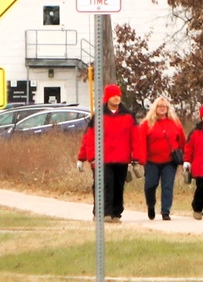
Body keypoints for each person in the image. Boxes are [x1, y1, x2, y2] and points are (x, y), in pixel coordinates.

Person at [77, 84, 142, 223]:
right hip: (102, 159)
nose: (117, 98)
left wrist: (136, 158)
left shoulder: (128, 115)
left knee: (118, 187)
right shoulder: (98, 116)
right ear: (107, 98)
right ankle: (103, 213)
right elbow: (89, 137)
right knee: (104, 186)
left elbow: (136, 138)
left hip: (122, 158)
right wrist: (85, 157)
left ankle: (116, 214)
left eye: (118, 95)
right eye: (113, 95)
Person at [137, 96, 185, 221]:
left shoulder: (175, 123)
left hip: (170, 162)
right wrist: (141, 159)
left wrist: (186, 158)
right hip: (152, 161)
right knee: (150, 186)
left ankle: (165, 211)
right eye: (160, 106)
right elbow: (141, 142)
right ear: (155, 108)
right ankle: (151, 205)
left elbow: (182, 141)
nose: (162, 108)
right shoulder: (146, 124)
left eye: (165, 107)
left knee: (167, 186)